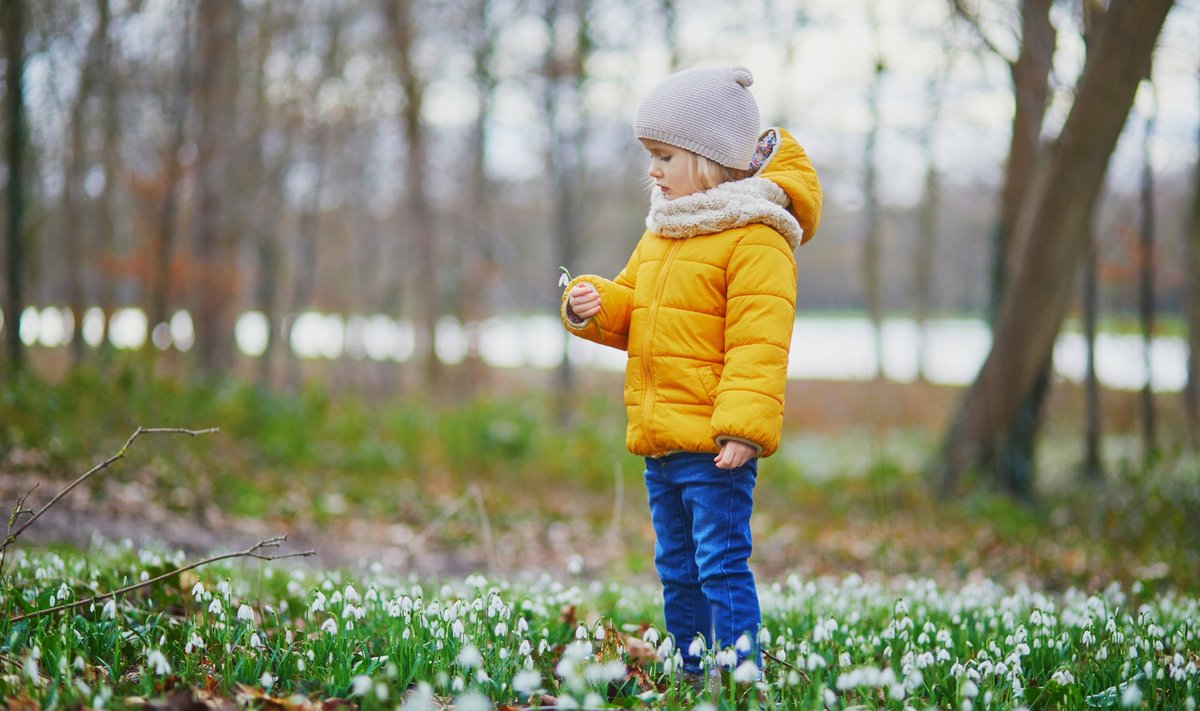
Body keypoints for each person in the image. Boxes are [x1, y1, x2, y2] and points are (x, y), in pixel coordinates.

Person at [559, 64, 822, 682]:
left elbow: (760, 343)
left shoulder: (756, 237)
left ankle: (739, 677)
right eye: (650, 155)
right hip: (662, 439)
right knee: (676, 566)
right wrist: (592, 303)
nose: (651, 170)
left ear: (707, 158)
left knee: (720, 564)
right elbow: (633, 306)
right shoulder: (664, 230)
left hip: (715, 446)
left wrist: (742, 428)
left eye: (663, 156)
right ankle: (691, 671)